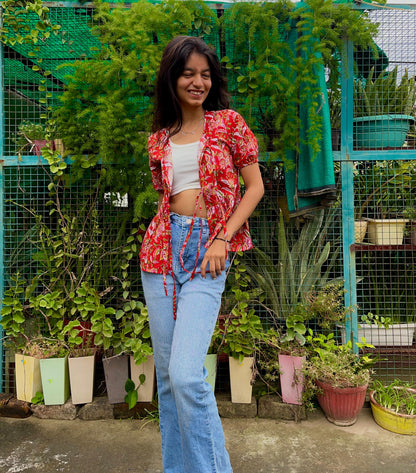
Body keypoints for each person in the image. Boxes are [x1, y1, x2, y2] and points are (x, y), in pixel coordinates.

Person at [140, 36, 264, 473]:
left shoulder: (228, 123)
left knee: (189, 373)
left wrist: (222, 238)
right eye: (188, 73)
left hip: (209, 250)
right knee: (171, 381)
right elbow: (166, 197)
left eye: (205, 74)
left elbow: (256, 188)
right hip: (160, 252)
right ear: (172, 79)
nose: (198, 82)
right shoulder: (160, 139)